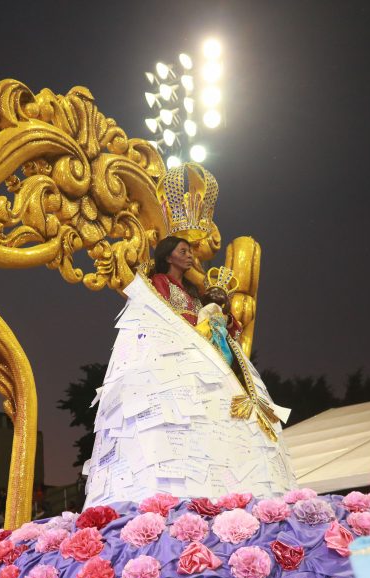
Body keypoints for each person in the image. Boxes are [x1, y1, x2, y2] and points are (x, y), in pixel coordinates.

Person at [80, 163, 295, 506]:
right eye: (184, 251)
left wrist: (219, 318)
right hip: (175, 370)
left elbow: (222, 329)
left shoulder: (196, 294)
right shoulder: (160, 286)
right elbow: (158, 319)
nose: (191, 255)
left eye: (190, 251)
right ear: (168, 256)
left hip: (210, 368)